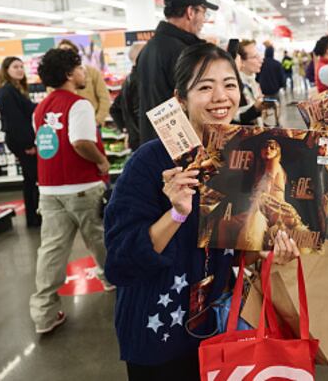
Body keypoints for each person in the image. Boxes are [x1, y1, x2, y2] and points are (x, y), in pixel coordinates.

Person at [103, 43, 300, 380]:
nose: (220, 96)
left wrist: (272, 250)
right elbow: (120, 263)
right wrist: (176, 213)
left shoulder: (242, 159)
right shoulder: (149, 162)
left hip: (216, 327)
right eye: (205, 87)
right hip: (158, 332)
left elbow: (237, 253)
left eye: (229, 84)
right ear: (180, 98)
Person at [30, 48, 113, 335]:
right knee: (100, 239)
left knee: (51, 250)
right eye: (80, 68)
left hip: (49, 189)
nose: (84, 73)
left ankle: (44, 314)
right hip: (82, 187)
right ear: (69, 74)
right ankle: (112, 280)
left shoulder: (40, 108)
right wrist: (102, 161)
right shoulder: (79, 105)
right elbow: (80, 142)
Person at [137, 0, 217, 144]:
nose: (204, 20)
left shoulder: (148, 49)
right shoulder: (184, 52)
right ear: (190, 12)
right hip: (181, 145)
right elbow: (202, 100)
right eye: (203, 13)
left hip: (155, 143)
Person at [0, 57, 41, 228]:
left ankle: (33, 218)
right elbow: (15, 121)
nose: (20, 70)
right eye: (15, 67)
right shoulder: (7, 92)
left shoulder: (15, 89)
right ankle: (36, 216)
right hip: (21, 141)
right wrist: (28, 144)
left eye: (21, 66)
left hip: (21, 140)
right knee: (35, 178)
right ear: (6, 70)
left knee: (29, 179)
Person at [57, 39, 111, 126]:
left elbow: (104, 97)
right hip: (68, 124)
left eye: (68, 52)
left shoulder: (92, 72)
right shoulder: (54, 78)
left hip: (91, 122)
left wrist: (98, 120)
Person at [110, 42, 145, 151]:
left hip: (135, 140)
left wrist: (126, 130)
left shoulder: (128, 80)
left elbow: (114, 109)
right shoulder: (141, 80)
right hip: (144, 140)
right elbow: (140, 113)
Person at [233, 39, 265, 126]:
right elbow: (234, 119)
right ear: (241, 61)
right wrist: (255, 109)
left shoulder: (254, 82)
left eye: (259, 56)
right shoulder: (234, 86)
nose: (261, 60)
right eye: (255, 57)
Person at [257, 44, 285, 127]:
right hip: (275, 91)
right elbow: (281, 77)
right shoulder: (277, 64)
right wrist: (281, 85)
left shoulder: (262, 64)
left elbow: (257, 77)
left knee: (264, 108)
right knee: (277, 106)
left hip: (264, 91)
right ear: (273, 53)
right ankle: (277, 122)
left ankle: (264, 122)